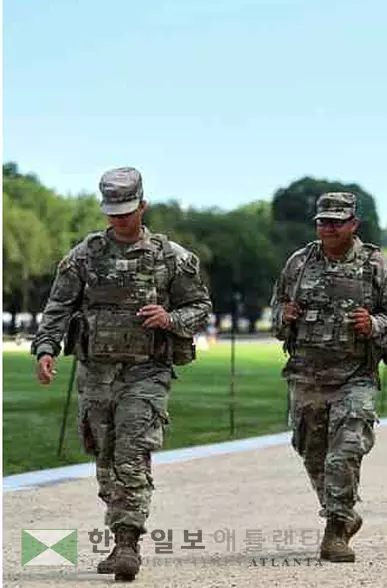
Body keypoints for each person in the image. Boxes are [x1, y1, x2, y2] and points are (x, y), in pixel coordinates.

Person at [31, 167, 212, 581]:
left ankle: (128, 543)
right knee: (106, 457)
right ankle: (119, 534)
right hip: (96, 372)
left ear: (143, 206)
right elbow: (58, 306)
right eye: (112, 212)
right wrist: (46, 348)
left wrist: (169, 318)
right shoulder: (85, 255)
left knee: (132, 452)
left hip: (147, 373)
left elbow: (200, 308)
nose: (118, 220)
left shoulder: (172, 258)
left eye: (126, 212)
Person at [270, 192, 387, 563]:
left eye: (336, 221)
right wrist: (283, 316)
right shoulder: (299, 264)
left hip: (355, 376)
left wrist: (374, 324)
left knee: (345, 452)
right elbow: (275, 312)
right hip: (306, 375)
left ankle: (335, 531)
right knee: (312, 452)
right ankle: (345, 512)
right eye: (322, 221)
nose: (328, 228)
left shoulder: (377, 266)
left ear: (353, 224)